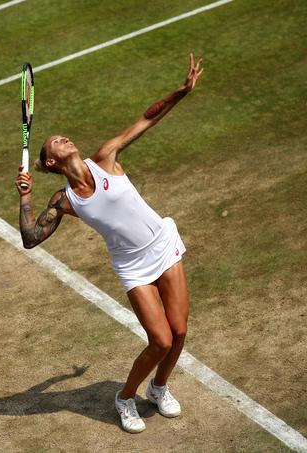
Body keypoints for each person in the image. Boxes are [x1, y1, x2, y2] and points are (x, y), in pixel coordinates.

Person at [15, 52, 204, 434]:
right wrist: (24, 199)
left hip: (162, 243)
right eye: (54, 142)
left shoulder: (105, 157)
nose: (62, 139)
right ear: (50, 162)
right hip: (132, 265)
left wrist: (180, 92)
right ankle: (124, 398)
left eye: (62, 137)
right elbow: (31, 239)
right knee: (160, 340)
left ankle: (159, 387)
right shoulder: (63, 201)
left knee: (180, 332)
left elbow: (147, 119)